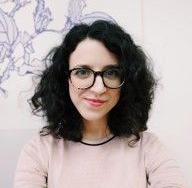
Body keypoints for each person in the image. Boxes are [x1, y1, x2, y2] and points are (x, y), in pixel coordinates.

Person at [14, 20, 185, 188]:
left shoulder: (148, 148)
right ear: (64, 78)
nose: (98, 88)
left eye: (111, 72)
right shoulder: (39, 151)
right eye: (82, 72)